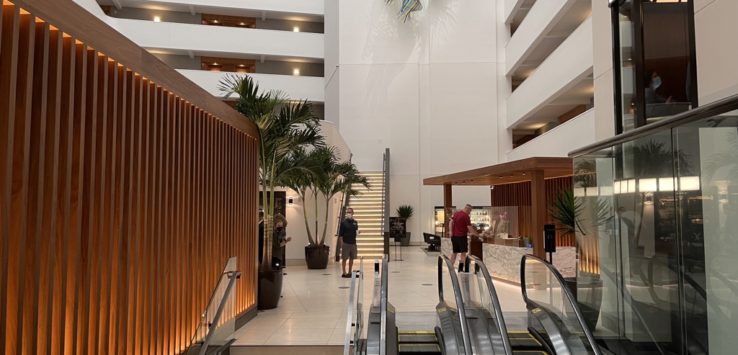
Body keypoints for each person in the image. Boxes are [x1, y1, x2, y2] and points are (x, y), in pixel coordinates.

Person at [448, 204, 480, 272]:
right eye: (470, 211)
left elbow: (450, 222)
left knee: (454, 252)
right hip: (462, 237)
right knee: (463, 253)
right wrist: (477, 235)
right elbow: (470, 228)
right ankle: (461, 269)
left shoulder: (456, 214)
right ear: (467, 209)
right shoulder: (466, 216)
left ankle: (450, 268)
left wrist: (451, 232)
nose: (470, 212)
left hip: (454, 237)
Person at [339, 208, 359, 278]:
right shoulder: (343, 222)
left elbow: (356, 231)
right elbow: (341, 235)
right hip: (346, 243)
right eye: (347, 212)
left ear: (353, 213)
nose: (349, 213)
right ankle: (344, 272)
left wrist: (358, 233)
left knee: (352, 258)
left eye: (350, 212)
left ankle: (350, 272)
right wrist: (342, 244)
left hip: (353, 243)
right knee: (344, 258)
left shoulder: (355, 222)